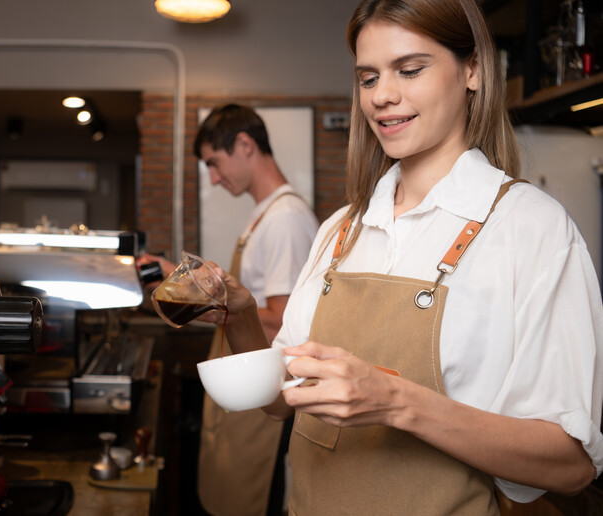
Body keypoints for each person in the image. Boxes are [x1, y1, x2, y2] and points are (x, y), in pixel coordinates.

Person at [198, 1, 603, 514]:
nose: (383, 96)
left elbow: (570, 465)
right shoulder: (341, 230)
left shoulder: (530, 228)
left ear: (473, 69)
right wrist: (241, 317)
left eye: (410, 70)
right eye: (368, 79)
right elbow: (283, 401)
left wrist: (394, 402)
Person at [140, 104, 319, 516]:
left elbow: (286, 322)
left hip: (266, 397)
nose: (215, 179)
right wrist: (180, 278)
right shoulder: (264, 215)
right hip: (246, 388)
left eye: (215, 164)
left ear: (244, 144)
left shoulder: (286, 219)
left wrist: (211, 304)